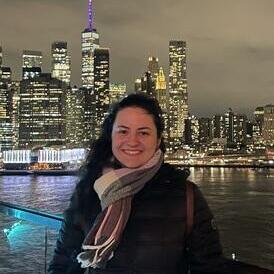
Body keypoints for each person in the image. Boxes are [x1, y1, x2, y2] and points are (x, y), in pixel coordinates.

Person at [48, 93, 229, 274]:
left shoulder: (186, 195)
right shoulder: (89, 190)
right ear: (111, 136)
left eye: (143, 132)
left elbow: (209, 267)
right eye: (123, 131)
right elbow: (63, 263)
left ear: (158, 140)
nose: (133, 141)